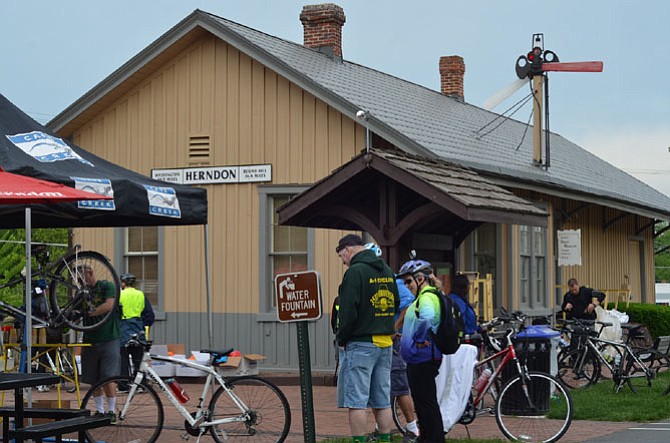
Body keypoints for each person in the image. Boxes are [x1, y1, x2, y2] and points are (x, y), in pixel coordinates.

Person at [335, 234, 399, 443]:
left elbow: (347, 312)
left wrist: (341, 338)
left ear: (348, 249)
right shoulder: (387, 271)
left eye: (341, 256)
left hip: (361, 343)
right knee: (382, 401)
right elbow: (396, 303)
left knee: (357, 402)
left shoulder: (355, 272)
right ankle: (385, 440)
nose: (343, 261)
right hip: (385, 343)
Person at [399, 260, 444, 443]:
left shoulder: (426, 297)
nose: (407, 286)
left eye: (409, 281)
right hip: (420, 359)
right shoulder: (425, 296)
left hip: (423, 359)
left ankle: (433, 439)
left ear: (420, 279)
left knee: (426, 404)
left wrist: (417, 339)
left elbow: (427, 318)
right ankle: (428, 438)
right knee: (424, 403)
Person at [78, 264, 121, 422]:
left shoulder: (106, 286)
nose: (79, 281)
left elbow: (109, 305)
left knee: (108, 377)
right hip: (90, 340)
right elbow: (75, 311)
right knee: (93, 379)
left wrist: (92, 312)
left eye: (81, 278)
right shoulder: (81, 292)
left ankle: (111, 411)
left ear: (90, 273)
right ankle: (100, 411)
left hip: (109, 337)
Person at [118, 273, 155, 392]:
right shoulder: (141, 295)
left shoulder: (119, 295)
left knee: (122, 359)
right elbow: (150, 315)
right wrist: (142, 325)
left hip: (123, 327)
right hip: (138, 327)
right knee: (138, 359)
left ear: (123, 283)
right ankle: (140, 384)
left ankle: (123, 385)